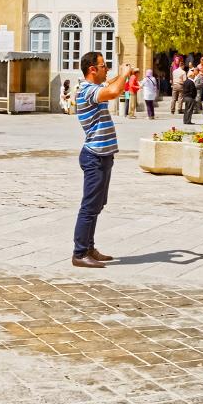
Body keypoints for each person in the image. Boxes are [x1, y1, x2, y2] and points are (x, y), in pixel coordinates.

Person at [70, 50, 133, 269]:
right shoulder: (88, 90)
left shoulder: (95, 87)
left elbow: (111, 83)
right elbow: (114, 91)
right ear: (92, 69)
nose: (107, 69)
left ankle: (89, 248)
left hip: (103, 156)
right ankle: (79, 253)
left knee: (97, 205)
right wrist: (123, 75)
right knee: (89, 206)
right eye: (103, 65)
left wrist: (124, 74)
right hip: (94, 156)